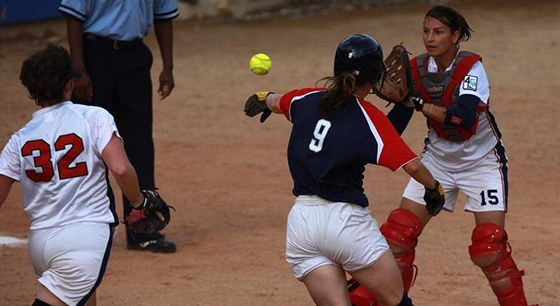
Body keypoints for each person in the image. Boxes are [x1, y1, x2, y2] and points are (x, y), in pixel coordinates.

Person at [350, 5, 535, 306]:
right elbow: (398, 121)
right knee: (397, 237)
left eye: (438, 32)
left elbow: (463, 118)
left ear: (456, 36)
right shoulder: (414, 69)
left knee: (489, 246)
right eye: (425, 31)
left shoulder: (472, 69)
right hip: (438, 160)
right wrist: (362, 132)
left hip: (482, 161)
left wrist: (417, 102)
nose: (429, 38)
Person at [244, 34, 446, 306]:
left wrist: (262, 97)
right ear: (374, 77)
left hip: (302, 227)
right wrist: (434, 189)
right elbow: (412, 165)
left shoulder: (305, 98)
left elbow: (275, 100)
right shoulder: (369, 116)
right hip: (346, 226)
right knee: (397, 302)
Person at [0, 44, 147, 306]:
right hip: (84, 240)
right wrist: (139, 203)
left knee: (84, 298)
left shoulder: (19, 139)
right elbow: (121, 168)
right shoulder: (94, 117)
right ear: (69, 84)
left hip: (40, 244)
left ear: (32, 92)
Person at [57, 0, 180, 253]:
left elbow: (163, 17)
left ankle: (142, 227)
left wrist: (168, 66)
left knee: (139, 143)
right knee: (89, 144)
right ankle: (82, 227)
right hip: (95, 55)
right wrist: (78, 67)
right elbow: (74, 19)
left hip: (135, 57)